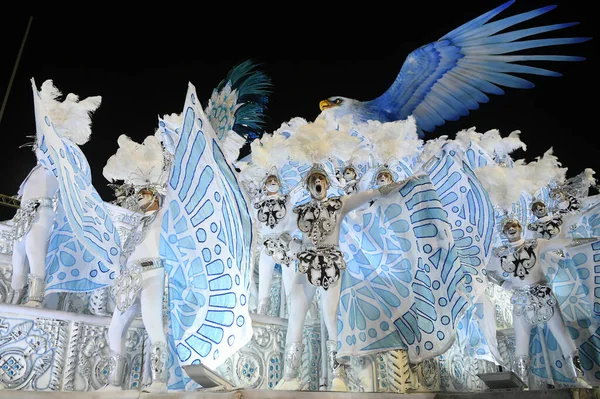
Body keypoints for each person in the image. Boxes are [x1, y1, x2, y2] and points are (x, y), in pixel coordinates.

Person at [275, 163, 405, 391]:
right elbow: (284, 233)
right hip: (305, 266)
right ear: (308, 185)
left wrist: (398, 185)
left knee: (331, 318)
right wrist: (290, 242)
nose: (318, 183)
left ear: (326, 182)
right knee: (295, 316)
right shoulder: (301, 210)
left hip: (330, 265)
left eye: (321, 179)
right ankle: (290, 376)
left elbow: (368, 195)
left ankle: (339, 376)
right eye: (314, 179)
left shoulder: (338, 205)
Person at [486, 218, 592, 388]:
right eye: (507, 227)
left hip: (544, 296)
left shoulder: (536, 243)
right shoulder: (499, 253)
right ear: (503, 232)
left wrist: (590, 240)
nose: (511, 229)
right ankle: (523, 385)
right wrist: (505, 284)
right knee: (522, 342)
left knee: (561, 334)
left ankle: (578, 377)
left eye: (514, 226)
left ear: (520, 228)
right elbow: (489, 272)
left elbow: (563, 243)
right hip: (521, 301)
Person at [253, 169, 299, 315]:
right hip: (266, 245)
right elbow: (256, 223)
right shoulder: (258, 203)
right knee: (264, 280)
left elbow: (294, 217)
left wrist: (287, 235)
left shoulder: (286, 200)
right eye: (269, 181)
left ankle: (294, 315)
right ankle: (262, 315)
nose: (273, 182)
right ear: (264, 185)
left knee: (290, 280)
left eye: (275, 180)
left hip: (284, 244)